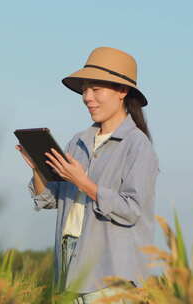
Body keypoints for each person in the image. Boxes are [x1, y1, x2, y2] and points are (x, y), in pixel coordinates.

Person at [16, 47, 159, 304]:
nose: (87, 97)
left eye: (95, 89)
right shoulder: (77, 142)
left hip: (112, 275)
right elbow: (49, 200)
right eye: (84, 90)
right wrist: (37, 168)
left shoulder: (138, 145)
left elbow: (132, 209)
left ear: (122, 91)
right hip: (70, 268)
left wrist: (83, 182)